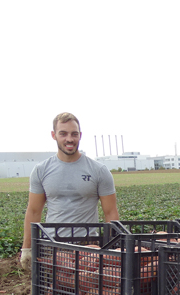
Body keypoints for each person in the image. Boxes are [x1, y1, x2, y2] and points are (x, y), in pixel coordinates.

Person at [19, 112, 119, 271]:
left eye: (74, 134)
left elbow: (110, 212)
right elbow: (33, 211)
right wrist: (27, 248)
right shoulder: (41, 170)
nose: (69, 139)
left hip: (87, 247)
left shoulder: (99, 170)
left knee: (87, 291)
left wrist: (112, 249)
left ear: (80, 135)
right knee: (52, 292)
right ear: (54, 135)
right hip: (52, 245)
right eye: (63, 133)